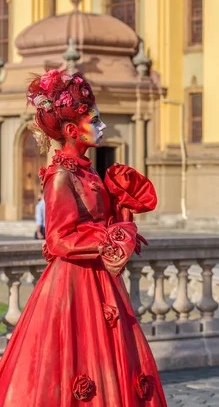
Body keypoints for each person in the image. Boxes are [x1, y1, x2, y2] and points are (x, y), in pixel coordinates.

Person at [0, 69, 167, 407]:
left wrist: (123, 215)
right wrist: (107, 239)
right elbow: (59, 239)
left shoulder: (88, 170)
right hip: (73, 282)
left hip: (100, 281)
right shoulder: (60, 176)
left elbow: (98, 220)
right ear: (74, 130)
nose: (102, 126)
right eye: (96, 119)